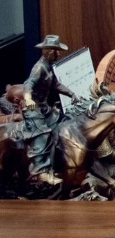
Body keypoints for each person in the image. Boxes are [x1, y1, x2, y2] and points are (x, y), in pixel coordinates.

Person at [22, 35, 76, 185]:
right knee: (43, 135)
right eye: (56, 51)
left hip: (45, 108)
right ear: (48, 52)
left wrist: (71, 94)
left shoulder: (49, 66)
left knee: (62, 126)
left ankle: (56, 164)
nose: (59, 54)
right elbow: (28, 84)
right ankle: (40, 171)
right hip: (33, 108)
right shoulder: (39, 68)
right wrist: (28, 99)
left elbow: (56, 85)